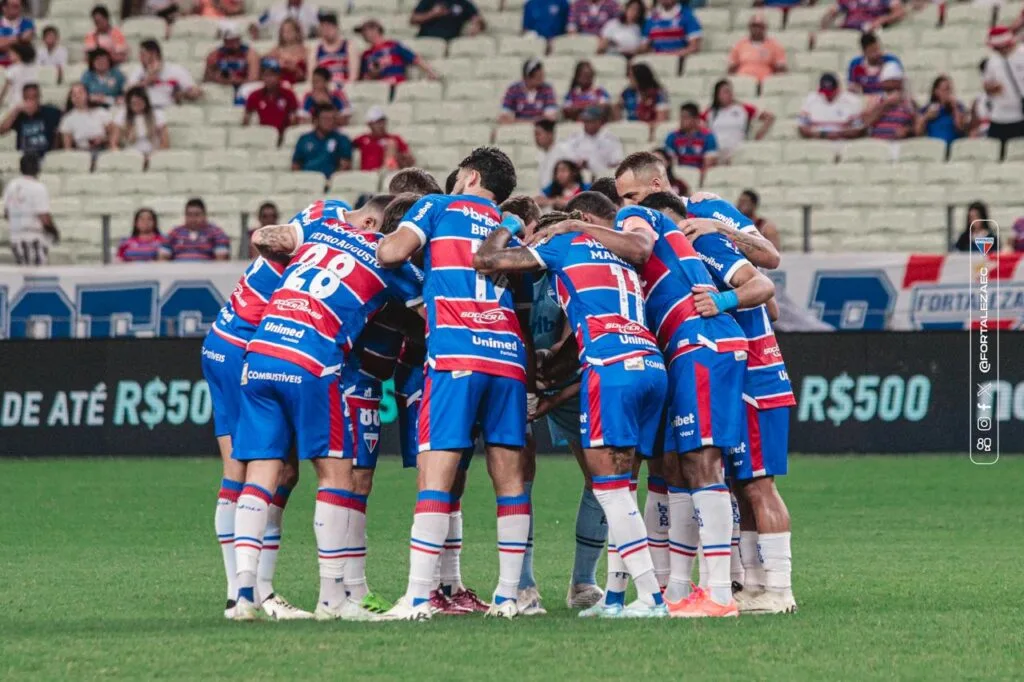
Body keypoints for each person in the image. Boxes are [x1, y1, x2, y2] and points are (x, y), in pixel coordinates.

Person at [229, 195, 423, 622]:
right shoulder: (394, 264)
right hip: (312, 362)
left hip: (260, 353)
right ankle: (333, 600)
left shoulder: (323, 227)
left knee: (262, 473)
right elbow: (432, 315)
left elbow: (267, 239)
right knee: (337, 475)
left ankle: (244, 595)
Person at [473, 209, 671, 620]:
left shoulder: (562, 243)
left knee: (611, 491)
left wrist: (510, 225)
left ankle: (651, 598)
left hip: (610, 366)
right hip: (651, 365)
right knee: (623, 490)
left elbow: (486, 260)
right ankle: (615, 599)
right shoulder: (616, 255)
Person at [376, 148, 532, 621]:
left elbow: (390, 252)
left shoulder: (439, 206)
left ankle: (419, 598)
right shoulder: (511, 223)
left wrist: (418, 282)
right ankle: (508, 598)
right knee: (510, 481)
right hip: (507, 356)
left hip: (457, 351)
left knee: (436, 478)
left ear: (469, 176)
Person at [2, 153, 57, 266]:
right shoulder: (38, 188)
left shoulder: (11, 186)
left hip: (15, 237)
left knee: (23, 273)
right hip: (33, 238)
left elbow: (7, 214)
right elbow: (44, 217)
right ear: (37, 168)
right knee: (36, 276)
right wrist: (54, 232)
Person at [703, 79, 774, 161]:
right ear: (717, 95)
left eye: (730, 91)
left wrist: (758, 135)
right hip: (716, 154)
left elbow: (769, 117)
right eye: (725, 92)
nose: (729, 94)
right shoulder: (710, 112)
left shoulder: (742, 108)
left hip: (736, 153)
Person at [357, 19, 439, 83]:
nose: (363, 34)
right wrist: (373, 73)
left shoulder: (393, 45)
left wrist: (431, 72)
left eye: (365, 30)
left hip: (396, 84)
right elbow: (365, 78)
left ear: (375, 30)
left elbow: (415, 59)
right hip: (380, 88)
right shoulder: (366, 54)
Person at [126, 39, 202, 108]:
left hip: (167, 110)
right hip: (145, 110)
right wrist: (147, 81)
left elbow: (194, 91)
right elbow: (128, 92)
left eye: (143, 54)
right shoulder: (138, 70)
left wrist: (183, 94)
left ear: (154, 54)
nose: (140, 58)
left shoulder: (176, 70)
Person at [982, 26, 1024, 146]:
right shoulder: (993, 61)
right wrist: (991, 89)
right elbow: (986, 86)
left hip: (1020, 115)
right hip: (999, 116)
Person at [858, 61, 917, 140]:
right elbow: (866, 122)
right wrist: (886, 104)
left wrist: (908, 130)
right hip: (877, 144)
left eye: (895, 80)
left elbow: (917, 126)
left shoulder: (909, 102)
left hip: (901, 143)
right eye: (889, 80)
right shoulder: (875, 100)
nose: (892, 83)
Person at [560, 105, 624, 177]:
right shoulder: (575, 138)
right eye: (585, 121)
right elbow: (565, 155)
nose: (586, 124)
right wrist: (578, 162)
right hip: (579, 179)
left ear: (599, 122)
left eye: (590, 121)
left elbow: (617, 163)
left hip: (603, 178)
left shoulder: (611, 140)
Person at [0, 84, 63, 156]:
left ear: (39, 98)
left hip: (46, 155)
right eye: (27, 98)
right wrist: (16, 110)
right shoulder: (19, 114)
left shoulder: (51, 112)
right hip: (24, 156)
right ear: (23, 99)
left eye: (34, 97)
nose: (31, 101)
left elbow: (65, 124)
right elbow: (1, 131)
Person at [159, 198, 230, 261]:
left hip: (206, 274)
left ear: (205, 215)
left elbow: (221, 259)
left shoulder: (216, 232)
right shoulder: (175, 232)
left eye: (197, 215)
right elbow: (163, 258)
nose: (193, 219)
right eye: (189, 215)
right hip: (179, 273)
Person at [243, 58, 299, 136]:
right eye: (266, 75)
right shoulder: (254, 96)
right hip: (261, 136)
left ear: (279, 76)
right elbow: (246, 121)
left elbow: (294, 120)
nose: (270, 79)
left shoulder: (289, 95)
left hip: (283, 135)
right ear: (262, 77)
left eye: (273, 75)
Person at [291, 105, 352, 178]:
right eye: (326, 119)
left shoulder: (342, 139)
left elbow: (345, 166)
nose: (330, 122)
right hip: (305, 180)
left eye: (333, 118)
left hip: (329, 182)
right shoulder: (304, 139)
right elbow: (296, 164)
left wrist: (331, 182)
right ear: (316, 120)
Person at [797, 72, 861, 140]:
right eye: (825, 92)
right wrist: (823, 135)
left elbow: (858, 129)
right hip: (817, 140)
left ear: (838, 89)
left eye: (831, 92)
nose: (828, 96)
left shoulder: (851, 100)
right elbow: (802, 128)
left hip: (843, 141)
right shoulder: (811, 99)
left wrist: (839, 134)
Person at [728, 13, 787, 82]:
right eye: (754, 26)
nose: (756, 29)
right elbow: (732, 68)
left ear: (764, 28)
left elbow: (781, 69)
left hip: (765, 83)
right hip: (744, 82)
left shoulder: (774, 46)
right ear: (749, 28)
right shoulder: (740, 45)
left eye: (759, 26)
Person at [111, 86, 169, 155]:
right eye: (134, 103)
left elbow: (165, 142)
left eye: (140, 102)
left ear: (146, 102)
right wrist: (119, 154)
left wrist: (154, 156)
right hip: (129, 154)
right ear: (129, 104)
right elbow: (113, 143)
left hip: (153, 153)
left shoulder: (157, 114)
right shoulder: (122, 115)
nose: (137, 106)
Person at [352, 106, 414, 171]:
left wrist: (401, 158)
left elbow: (409, 159)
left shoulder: (395, 138)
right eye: (377, 122)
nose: (381, 125)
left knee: (391, 143)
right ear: (369, 125)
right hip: (367, 176)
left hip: (386, 173)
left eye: (382, 121)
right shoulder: (362, 139)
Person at [499, 58, 559, 123]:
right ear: (526, 77)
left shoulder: (547, 89)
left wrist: (517, 121)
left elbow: (550, 118)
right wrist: (536, 120)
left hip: (540, 130)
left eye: (541, 75)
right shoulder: (513, 89)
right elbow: (504, 118)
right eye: (537, 76)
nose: (542, 78)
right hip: (517, 130)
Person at [59, 82, 112, 153]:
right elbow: (67, 148)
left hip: (103, 150)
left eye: (80, 93)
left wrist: (103, 140)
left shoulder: (101, 112)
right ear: (70, 98)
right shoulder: (67, 119)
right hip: (81, 153)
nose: (77, 96)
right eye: (74, 94)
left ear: (87, 95)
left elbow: (112, 135)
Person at [665, 101, 718, 170]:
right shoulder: (672, 137)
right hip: (678, 175)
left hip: (698, 175)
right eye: (681, 117)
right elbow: (669, 163)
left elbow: (708, 166)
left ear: (696, 119)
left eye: (685, 117)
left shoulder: (708, 137)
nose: (681, 120)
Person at [915, 75, 967, 145]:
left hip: (953, 146)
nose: (948, 93)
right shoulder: (928, 109)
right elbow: (917, 132)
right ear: (936, 91)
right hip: (933, 147)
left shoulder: (958, 107)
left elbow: (960, 128)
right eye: (945, 89)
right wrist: (926, 117)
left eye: (950, 89)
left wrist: (954, 108)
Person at [412, 0, 484, 40]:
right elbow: (413, 19)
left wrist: (476, 26)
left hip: (451, 42)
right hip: (427, 39)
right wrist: (432, 13)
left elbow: (478, 20)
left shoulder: (464, 3)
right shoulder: (429, 1)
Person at [266, 17, 308, 85]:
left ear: (297, 32)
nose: (287, 33)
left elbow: (307, 76)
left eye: (290, 30)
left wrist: (295, 69)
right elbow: (264, 64)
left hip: (299, 83)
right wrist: (278, 64)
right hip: (279, 84)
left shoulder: (306, 51)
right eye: (284, 31)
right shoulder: (276, 51)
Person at [314, 11, 351, 87]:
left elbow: (353, 75)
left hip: (344, 85)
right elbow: (312, 75)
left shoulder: (348, 46)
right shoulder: (316, 49)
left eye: (328, 27)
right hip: (324, 87)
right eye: (323, 28)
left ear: (336, 27)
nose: (326, 31)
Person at [820, 0, 905, 32]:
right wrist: (829, 14)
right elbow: (828, 17)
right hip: (849, 30)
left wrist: (881, 21)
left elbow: (899, 12)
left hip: (872, 31)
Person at [251, 0, 320, 39]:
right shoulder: (274, 9)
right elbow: (255, 24)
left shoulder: (314, 9)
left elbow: (324, 27)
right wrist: (255, 34)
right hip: (281, 47)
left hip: (304, 45)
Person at [534, 119, 570, 191]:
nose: (536, 138)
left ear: (550, 134)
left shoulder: (564, 151)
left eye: (538, 134)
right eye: (535, 135)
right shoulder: (541, 154)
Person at [0, 0, 35, 68]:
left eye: (20, 6)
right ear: (4, 8)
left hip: (21, 64)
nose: (19, 9)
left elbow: (25, 45)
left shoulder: (28, 23)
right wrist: (20, 38)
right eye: (14, 6)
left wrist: (5, 42)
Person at [0, 42, 36, 108]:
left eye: (11, 53)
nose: (9, 55)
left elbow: (5, 89)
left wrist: (0, 100)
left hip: (15, 103)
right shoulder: (32, 68)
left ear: (18, 55)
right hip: (29, 102)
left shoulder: (12, 69)